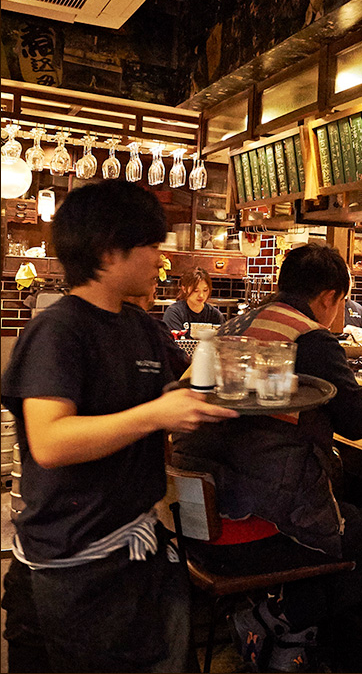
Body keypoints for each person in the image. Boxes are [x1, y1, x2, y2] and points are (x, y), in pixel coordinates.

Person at [0, 181, 238, 674]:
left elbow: (175, 390)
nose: (159, 258)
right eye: (150, 246)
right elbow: (49, 441)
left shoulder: (141, 326)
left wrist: (207, 388)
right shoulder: (59, 329)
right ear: (109, 251)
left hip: (137, 547)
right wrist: (155, 415)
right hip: (76, 564)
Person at [171, 242, 362, 672]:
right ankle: (274, 619)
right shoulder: (309, 337)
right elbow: (359, 422)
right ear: (330, 298)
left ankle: (285, 635)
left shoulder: (233, 324)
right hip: (251, 531)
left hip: (194, 522)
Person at [124, 280, 191, 379]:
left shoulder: (109, 323)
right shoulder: (153, 329)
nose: (156, 285)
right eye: (153, 279)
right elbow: (184, 366)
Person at [162, 266, 224, 336]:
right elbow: (171, 343)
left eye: (205, 290)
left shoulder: (215, 315)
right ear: (184, 289)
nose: (201, 295)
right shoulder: (174, 313)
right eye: (196, 291)